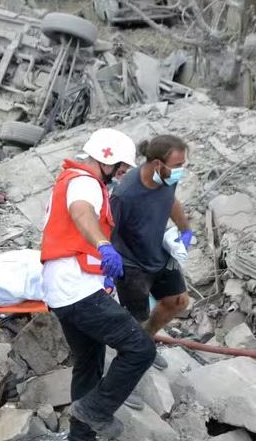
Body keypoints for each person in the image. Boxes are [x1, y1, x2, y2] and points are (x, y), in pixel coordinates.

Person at [41, 128, 155, 441]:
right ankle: (94, 412)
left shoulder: (69, 181)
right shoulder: (84, 182)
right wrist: (104, 244)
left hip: (63, 290)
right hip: (76, 289)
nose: (120, 175)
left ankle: (81, 437)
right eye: (119, 169)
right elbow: (81, 212)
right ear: (105, 159)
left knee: (89, 365)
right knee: (140, 349)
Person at [110, 134, 191, 403]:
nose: (181, 169)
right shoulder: (125, 194)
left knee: (178, 301)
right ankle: (121, 381)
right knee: (135, 320)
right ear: (157, 164)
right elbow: (107, 229)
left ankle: (146, 342)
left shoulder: (168, 178)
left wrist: (185, 229)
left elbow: (171, 202)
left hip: (158, 252)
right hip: (131, 264)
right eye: (177, 164)